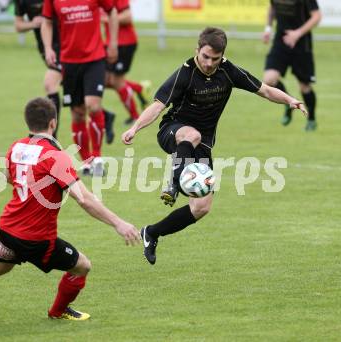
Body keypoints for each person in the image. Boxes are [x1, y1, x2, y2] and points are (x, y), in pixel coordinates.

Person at [0, 97, 140, 321]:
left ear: (29, 123)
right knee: (82, 266)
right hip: (36, 238)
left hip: (7, 228)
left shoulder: (17, 147)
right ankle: (58, 311)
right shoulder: (55, 156)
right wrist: (119, 223)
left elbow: (8, 177)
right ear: (53, 123)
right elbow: (84, 199)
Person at [121, 27, 308, 265]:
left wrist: (290, 100)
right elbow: (158, 106)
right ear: (197, 50)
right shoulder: (185, 74)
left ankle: (152, 232)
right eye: (205, 57)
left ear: (222, 57)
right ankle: (174, 182)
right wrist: (134, 128)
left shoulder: (228, 72)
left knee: (201, 207)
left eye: (215, 59)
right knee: (192, 134)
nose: (209, 63)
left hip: (202, 145)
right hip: (173, 132)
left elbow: (265, 90)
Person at [41, 0, 119, 176]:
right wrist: (48, 48)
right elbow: (46, 21)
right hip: (69, 61)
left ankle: (97, 158)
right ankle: (86, 161)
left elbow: (112, 11)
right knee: (77, 113)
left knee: (93, 105)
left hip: (95, 58)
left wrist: (113, 42)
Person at [262, 0, 321, 131]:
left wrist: (297, 33)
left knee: (305, 87)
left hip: (301, 43)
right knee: (269, 80)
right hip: (281, 41)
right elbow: (272, 7)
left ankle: (311, 119)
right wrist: (268, 28)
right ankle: (289, 102)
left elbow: (317, 16)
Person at [14, 0, 63, 138]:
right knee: (74, 90)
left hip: (65, 44)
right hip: (46, 48)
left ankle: (52, 136)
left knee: (50, 84)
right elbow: (18, 25)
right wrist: (33, 24)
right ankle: (104, 115)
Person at [102, 0, 151, 125]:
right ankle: (139, 88)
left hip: (124, 43)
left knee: (116, 81)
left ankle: (135, 117)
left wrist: (108, 19)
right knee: (105, 80)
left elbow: (127, 17)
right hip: (110, 43)